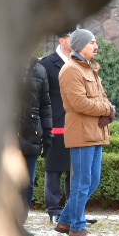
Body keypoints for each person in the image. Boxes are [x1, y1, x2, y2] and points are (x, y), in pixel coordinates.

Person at [55, 29, 112, 236]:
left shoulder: (89, 68)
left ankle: (65, 221)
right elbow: (79, 103)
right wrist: (107, 110)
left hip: (95, 131)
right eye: (91, 43)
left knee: (92, 181)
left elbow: (103, 97)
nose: (96, 46)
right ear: (79, 46)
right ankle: (77, 228)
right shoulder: (70, 70)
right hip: (81, 132)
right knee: (81, 182)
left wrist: (109, 107)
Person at [38, 31, 74, 222]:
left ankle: (71, 210)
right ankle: (53, 209)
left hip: (75, 124)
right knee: (53, 170)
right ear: (62, 41)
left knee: (73, 170)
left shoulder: (78, 62)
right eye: (71, 38)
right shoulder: (46, 64)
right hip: (55, 124)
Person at [18, 56, 52, 226]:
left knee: (28, 183)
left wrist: (47, 133)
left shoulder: (39, 70)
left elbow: (45, 105)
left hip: (31, 133)